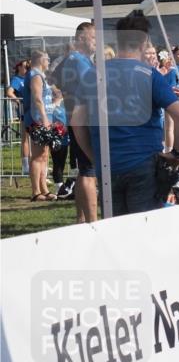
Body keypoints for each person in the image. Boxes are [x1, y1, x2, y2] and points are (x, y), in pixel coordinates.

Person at [72, 11, 179, 217]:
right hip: (144, 164)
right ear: (144, 43)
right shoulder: (149, 74)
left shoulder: (93, 73)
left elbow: (76, 122)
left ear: (118, 40)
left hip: (109, 166)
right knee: (145, 231)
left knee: (116, 233)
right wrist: (177, 154)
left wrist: (94, 156)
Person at [52, 21, 99, 222]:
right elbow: (91, 89)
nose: (97, 42)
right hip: (83, 119)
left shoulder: (70, 59)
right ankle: (92, 221)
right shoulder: (79, 61)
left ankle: (81, 219)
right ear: (81, 38)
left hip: (75, 118)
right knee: (89, 171)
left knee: (84, 170)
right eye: (94, 37)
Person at [24, 50, 56, 201]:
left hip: (45, 119)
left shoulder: (41, 75)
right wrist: (44, 118)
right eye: (47, 59)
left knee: (44, 155)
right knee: (38, 156)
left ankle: (44, 188)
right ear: (40, 60)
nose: (49, 61)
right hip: (37, 119)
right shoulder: (35, 75)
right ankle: (35, 191)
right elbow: (37, 98)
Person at [7, 60, 30, 175]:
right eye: (25, 66)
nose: (27, 68)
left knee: (35, 140)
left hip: (33, 111)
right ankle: (25, 166)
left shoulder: (30, 77)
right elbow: (9, 92)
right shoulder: (17, 79)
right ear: (19, 67)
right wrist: (18, 101)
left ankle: (34, 164)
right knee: (25, 139)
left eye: (28, 66)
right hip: (24, 112)